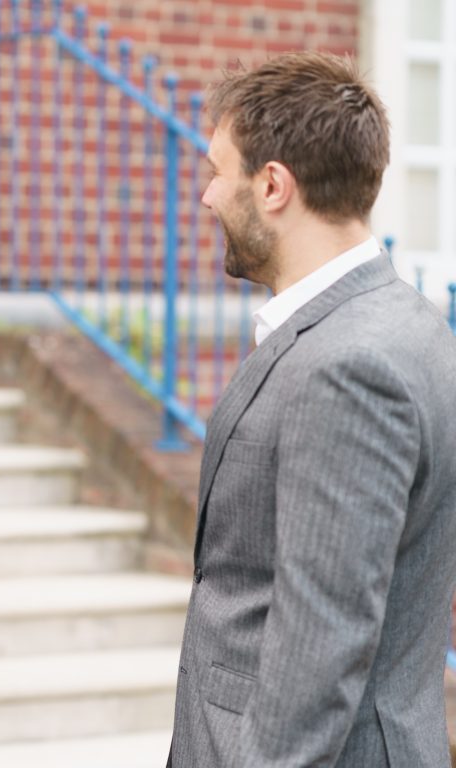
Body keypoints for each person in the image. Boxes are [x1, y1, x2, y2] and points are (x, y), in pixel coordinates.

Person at [167, 51, 456, 767]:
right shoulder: (407, 321)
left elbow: (320, 651)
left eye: (217, 171)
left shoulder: (349, 366)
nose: (206, 197)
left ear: (272, 185)